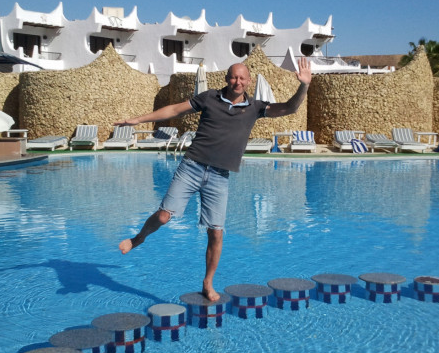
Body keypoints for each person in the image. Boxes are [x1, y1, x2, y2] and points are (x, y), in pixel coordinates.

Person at [116, 57, 312, 301]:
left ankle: (208, 283)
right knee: (164, 216)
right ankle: (138, 239)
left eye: (242, 78)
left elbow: (289, 108)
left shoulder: (255, 107)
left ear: (249, 81)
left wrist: (304, 85)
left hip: (219, 176)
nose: (238, 81)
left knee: (216, 233)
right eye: (234, 77)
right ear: (227, 79)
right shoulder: (209, 97)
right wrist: (138, 120)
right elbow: (175, 109)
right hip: (192, 167)